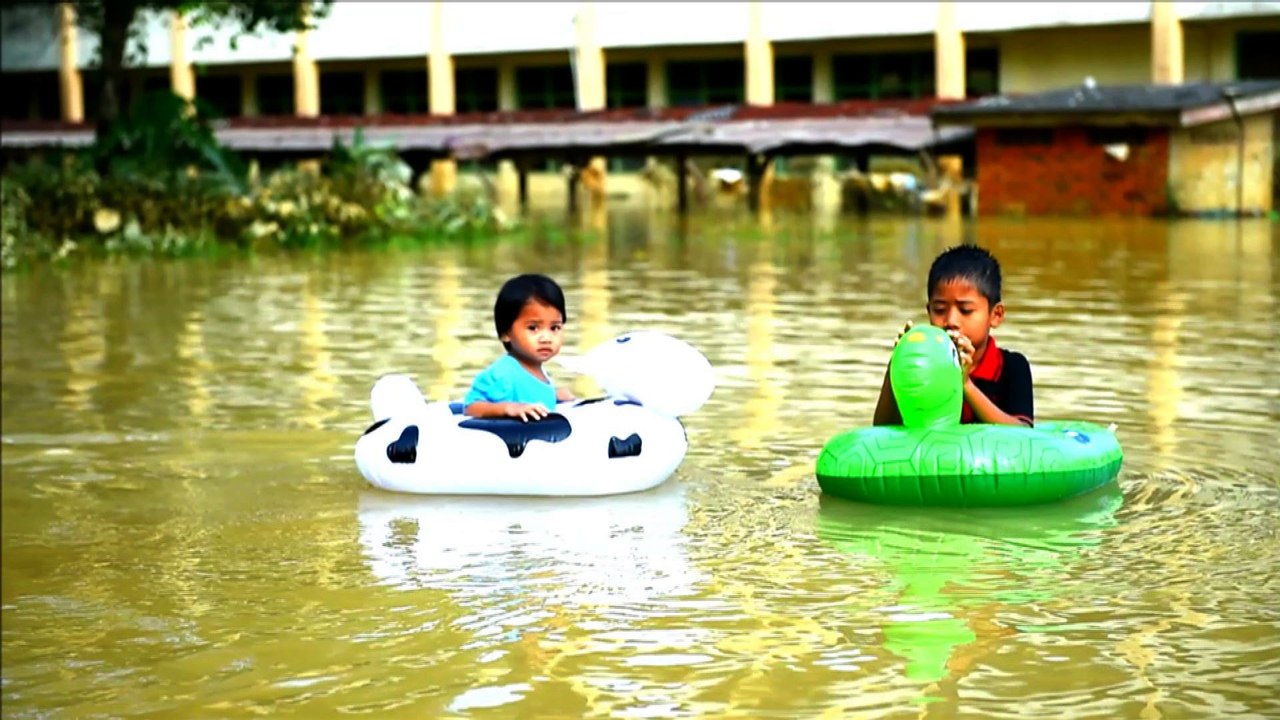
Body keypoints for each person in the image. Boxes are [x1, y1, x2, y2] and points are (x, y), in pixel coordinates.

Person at [873, 245, 1034, 427]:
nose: (951, 321)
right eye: (939, 310)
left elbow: (1023, 432)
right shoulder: (925, 368)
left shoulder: (1012, 367)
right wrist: (897, 366)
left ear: (995, 315)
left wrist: (965, 384)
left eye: (965, 310)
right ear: (929, 311)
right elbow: (883, 431)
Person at [463, 273, 577, 422]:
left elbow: (529, 391)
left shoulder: (538, 370)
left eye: (554, 328)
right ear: (506, 333)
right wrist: (509, 408)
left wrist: (553, 395)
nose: (546, 338)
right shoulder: (503, 373)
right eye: (533, 328)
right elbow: (470, 407)